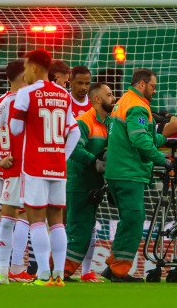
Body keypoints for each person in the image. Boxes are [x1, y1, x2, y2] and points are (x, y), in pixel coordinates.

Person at [10, 48, 80, 286]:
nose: (24, 73)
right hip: (57, 166)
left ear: (35, 68)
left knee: (36, 219)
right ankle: (58, 274)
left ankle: (41, 274)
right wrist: (62, 155)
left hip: (34, 166)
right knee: (57, 219)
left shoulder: (26, 93)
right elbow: (75, 131)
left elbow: (16, 129)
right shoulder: (63, 94)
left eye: (26, 67)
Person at [102, 68, 171, 282]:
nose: (155, 91)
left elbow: (141, 137)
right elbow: (140, 141)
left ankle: (113, 265)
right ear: (142, 84)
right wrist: (163, 160)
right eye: (153, 86)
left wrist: (163, 138)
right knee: (133, 220)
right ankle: (118, 270)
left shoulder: (124, 102)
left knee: (128, 220)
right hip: (128, 172)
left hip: (117, 170)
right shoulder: (138, 106)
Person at [0, 60, 31, 284]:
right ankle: (15, 267)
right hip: (17, 166)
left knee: (11, 217)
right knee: (20, 217)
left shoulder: (2, 100)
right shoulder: (17, 101)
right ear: (23, 76)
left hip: (8, 165)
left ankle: (7, 269)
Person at [64, 82, 116, 283]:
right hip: (79, 183)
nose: (113, 98)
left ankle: (66, 270)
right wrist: (95, 161)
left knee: (85, 227)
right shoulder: (83, 122)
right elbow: (74, 149)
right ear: (97, 99)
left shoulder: (110, 122)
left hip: (94, 184)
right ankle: (60, 270)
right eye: (109, 95)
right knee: (78, 228)